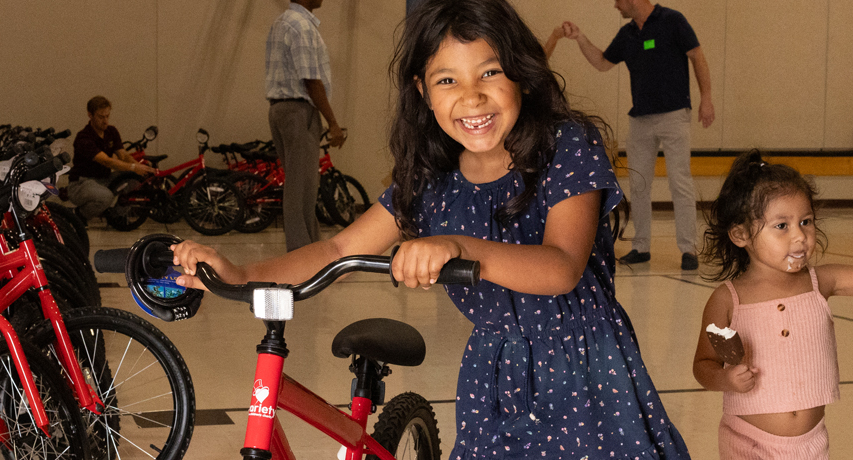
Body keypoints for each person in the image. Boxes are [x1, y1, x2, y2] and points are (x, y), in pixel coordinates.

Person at [175, 0, 690, 457]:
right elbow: (339, 248)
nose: (471, 97)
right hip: (494, 372)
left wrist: (456, 246)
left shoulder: (566, 146)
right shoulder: (430, 180)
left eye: (489, 73)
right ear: (422, 91)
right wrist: (240, 273)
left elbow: (561, 267)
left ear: (522, 76)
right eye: (448, 80)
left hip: (583, 368)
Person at [692, 151, 853, 459]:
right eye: (782, 225)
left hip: (811, 445)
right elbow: (703, 365)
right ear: (741, 234)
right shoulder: (728, 299)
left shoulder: (822, 281)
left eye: (805, 221)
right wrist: (725, 378)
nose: (800, 236)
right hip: (747, 443)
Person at [561, 0, 715, 270]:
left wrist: (707, 98)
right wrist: (580, 38)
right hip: (640, 119)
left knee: (680, 181)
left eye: (618, 0)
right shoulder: (628, 34)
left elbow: (697, 56)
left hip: (674, 114)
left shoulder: (672, 20)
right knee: (638, 184)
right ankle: (641, 246)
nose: (615, 5)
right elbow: (602, 62)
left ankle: (688, 249)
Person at [266, 0, 346, 251]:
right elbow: (311, 80)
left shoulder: (282, 22)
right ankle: (301, 253)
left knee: (301, 185)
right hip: (299, 111)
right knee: (302, 188)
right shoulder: (301, 26)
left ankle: (311, 247)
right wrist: (332, 122)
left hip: (281, 109)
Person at [67, 96, 155, 222]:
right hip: (82, 183)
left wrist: (140, 168)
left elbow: (123, 156)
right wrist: (134, 167)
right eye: (101, 117)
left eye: (107, 116)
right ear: (90, 115)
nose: (105, 121)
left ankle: (115, 216)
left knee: (134, 179)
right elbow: (106, 161)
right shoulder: (84, 138)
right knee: (106, 197)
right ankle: (78, 216)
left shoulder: (111, 131)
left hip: (104, 179)